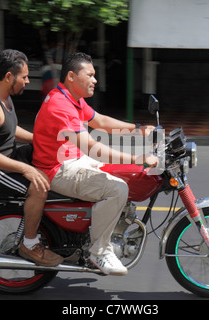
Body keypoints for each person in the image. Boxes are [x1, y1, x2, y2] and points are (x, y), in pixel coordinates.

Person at [32, 52, 158, 275]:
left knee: (125, 174)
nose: (95, 80)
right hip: (58, 169)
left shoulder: (72, 99)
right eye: (89, 75)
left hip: (73, 159)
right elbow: (92, 147)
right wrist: (137, 158)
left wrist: (138, 129)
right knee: (117, 188)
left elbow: (99, 121)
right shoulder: (61, 106)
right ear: (71, 76)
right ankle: (99, 251)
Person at [0, 49, 63, 267]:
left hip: (6, 158)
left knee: (52, 158)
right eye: (24, 77)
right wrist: (25, 169)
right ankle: (30, 244)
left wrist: (41, 140)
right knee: (39, 187)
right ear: (9, 77)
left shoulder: (5, 98)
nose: (27, 81)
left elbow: (10, 129)